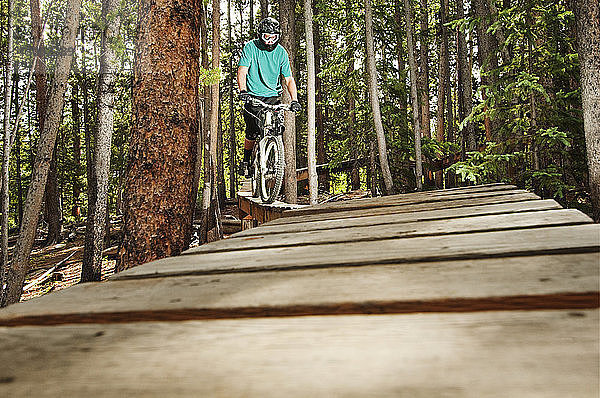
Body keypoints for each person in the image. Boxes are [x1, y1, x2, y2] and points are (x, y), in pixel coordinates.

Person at [237, 17, 301, 177]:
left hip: (273, 96)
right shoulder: (251, 48)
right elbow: (242, 70)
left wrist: (294, 100)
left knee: (277, 125)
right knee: (252, 130)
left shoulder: (281, 53)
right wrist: (243, 90)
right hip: (252, 96)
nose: (270, 41)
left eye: (274, 37)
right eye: (267, 37)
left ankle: (274, 154)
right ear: (260, 35)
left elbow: (289, 79)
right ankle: (246, 160)